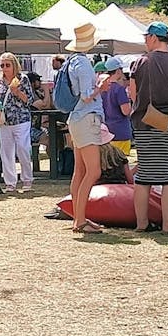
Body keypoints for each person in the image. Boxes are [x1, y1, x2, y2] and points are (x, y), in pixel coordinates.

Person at [128, 22, 168, 235]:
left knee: (144, 174)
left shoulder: (140, 63)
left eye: (147, 37)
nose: (145, 40)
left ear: (154, 38)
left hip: (145, 123)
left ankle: (142, 223)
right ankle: (167, 225)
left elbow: (133, 95)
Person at [59, 23, 108, 233]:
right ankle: (80, 219)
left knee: (79, 171)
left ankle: (78, 217)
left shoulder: (71, 62)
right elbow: (87, 95)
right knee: (93, 170)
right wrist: (102, 87)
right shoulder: (84, 64)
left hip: (76, 118)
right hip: (87, 118)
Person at [0, 52, 38, 193]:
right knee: (6, 152)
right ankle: (10, 182)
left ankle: (27, 179)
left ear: (14, 65)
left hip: (21, 119)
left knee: (23, 149)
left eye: (7, 65)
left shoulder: (22, 79)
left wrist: (17, 92)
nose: (4, 68)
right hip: (4, 121)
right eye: (2, 65)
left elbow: (30, 100)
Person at [98, 58, 134, 154]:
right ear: (118, 71)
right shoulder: (119, 89)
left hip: (106, 131)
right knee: (121, 164)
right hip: (120, 131)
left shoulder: (102, 88)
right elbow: (126, 111)